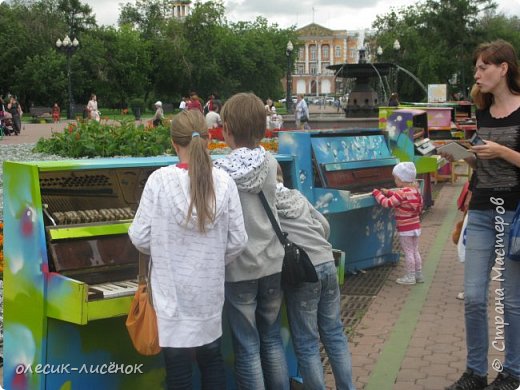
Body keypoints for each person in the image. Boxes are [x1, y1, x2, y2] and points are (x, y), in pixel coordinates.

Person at [128, 109, 248, 390]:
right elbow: (239, 240)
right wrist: (215, 257)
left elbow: (140, 237)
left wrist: (163, 246)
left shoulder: (159, 181)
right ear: (208, 140)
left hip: (171, 296)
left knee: (178, 369)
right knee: (212, 360)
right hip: (207, 294)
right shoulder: (225, 182)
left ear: (174, 143)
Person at [443, 39, 520, 390]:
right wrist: (463, 155)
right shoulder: (483, 112)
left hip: (514, 212)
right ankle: (475, 372)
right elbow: (481, 160)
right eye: (477, 67)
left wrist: (501, 150)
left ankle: (512, 373)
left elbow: (504, 156)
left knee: (511, 300)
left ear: (503, 68)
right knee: (474, 296)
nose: (477, 74)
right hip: (482, 209)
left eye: (482, 67)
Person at [214, 92, 289, 389]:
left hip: (240, 268)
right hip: (272, 263)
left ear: (227, 129)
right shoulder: (271, 163)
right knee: (271, 339)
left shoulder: (220, 172)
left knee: (247, 346)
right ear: (261, 128)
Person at [276, 166, 356, 390]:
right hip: (327, 261)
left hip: (304, 273)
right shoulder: (296, 195)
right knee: (334, 333)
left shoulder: (268, 203)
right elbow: (325, 225)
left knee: (307, 342)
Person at [372, 162, 423, 285]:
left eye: (395, 178)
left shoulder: (401, 193)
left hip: (405, 229)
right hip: (415, 226)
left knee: (408, 252)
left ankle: (410, 277)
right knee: (415, 251)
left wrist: (377, 194)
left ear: (400, 179)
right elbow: (400, 198)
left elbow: (387, 203)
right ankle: (418, 275)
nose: (395, 180)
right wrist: (389, 192)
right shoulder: (415, 190)